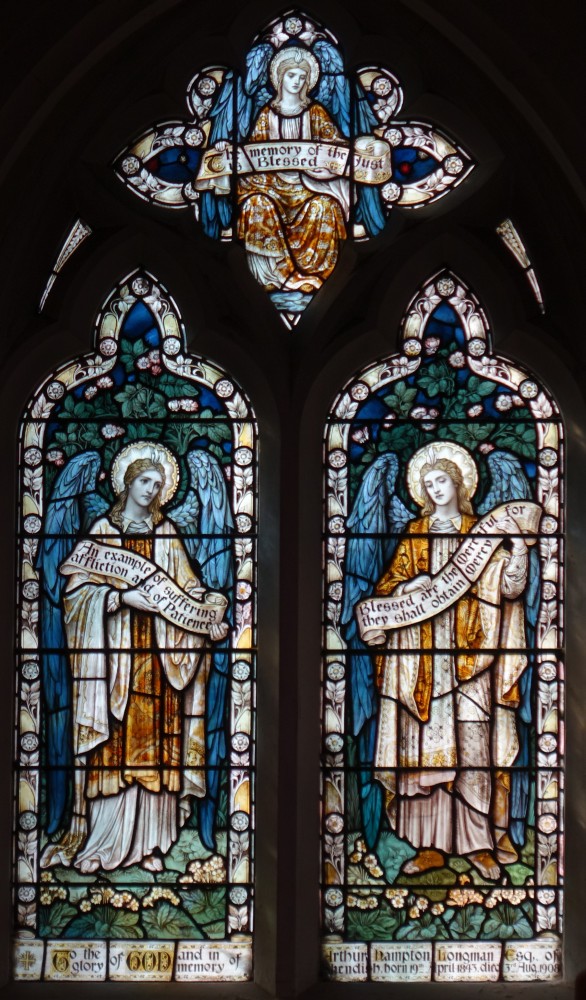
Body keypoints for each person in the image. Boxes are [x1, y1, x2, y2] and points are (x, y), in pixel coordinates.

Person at [41, 443, 228, 873]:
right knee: (115, 745)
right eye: (145, 481)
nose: (151, 490)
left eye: (158, 484)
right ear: (127, 483)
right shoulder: (102, 533)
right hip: (114, 663)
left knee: (157, 745)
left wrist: (208, 611)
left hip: (160, 661)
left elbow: (187, 588)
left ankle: (150, 844)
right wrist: (122, 598)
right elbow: (75, 595)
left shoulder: (167, 534)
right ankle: (102, 842)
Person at [370, 443, 529, 880]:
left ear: (459, 484)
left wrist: (518, 550)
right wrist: (409, 588)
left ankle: (479, 843)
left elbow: (509, 589)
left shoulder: (480, 534)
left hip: (471, 657)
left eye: (441, 480)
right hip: (421, 659)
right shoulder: (415, 534)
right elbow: (389, 586)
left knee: (475, 751)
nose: (435, 489)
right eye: (428, 484)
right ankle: (430, 847)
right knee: (425, 754)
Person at [236, 47, 349, 293]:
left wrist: (324, 169)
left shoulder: (316, 113)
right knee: (256, 204)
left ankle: (315, 274)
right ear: (280, 77)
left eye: (302, 77)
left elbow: (338, 153)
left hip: (308, 188)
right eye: (291, 75)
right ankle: (277, 277)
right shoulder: (266, 115)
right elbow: (249, 161)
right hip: (270, 189)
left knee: (325, 206)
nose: (297, 81)